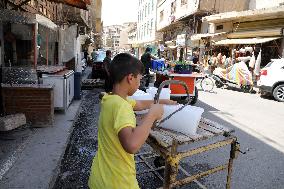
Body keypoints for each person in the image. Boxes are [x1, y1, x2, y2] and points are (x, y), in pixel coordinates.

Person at [88, 53, 176, 189]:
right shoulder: (122, 107)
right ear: (130, 78)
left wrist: (162, 101)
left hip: (100, 176)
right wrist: (151, 115)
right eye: (139, 80)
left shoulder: (110, 98)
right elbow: (131, 145)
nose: (139, 84)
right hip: (118, 182)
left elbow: (139, 104)